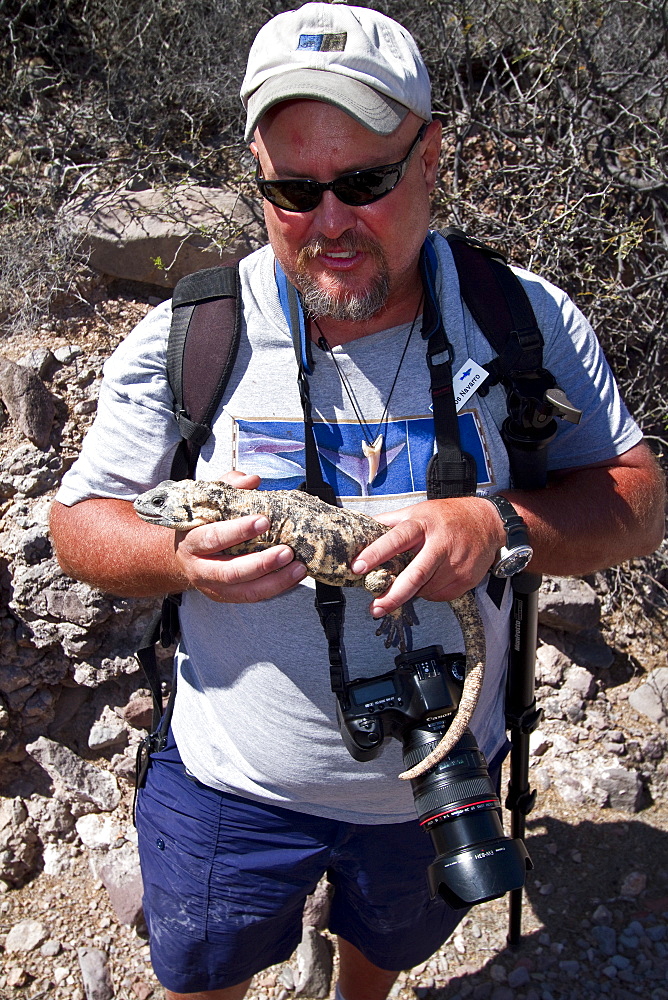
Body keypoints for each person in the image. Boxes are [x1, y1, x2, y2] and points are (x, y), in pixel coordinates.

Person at [49, 4, 664, 999]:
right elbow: (79, 524)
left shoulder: (522, 319)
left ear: (429, 158)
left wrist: (496, 525)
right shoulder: (193, 333)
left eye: (365, 181)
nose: (329, 220)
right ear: (255, 179)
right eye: (294, 188)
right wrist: (179, 561)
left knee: (385, 954)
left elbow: (637, 507)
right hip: (230, 788)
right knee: (203, 970)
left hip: (436, 776)